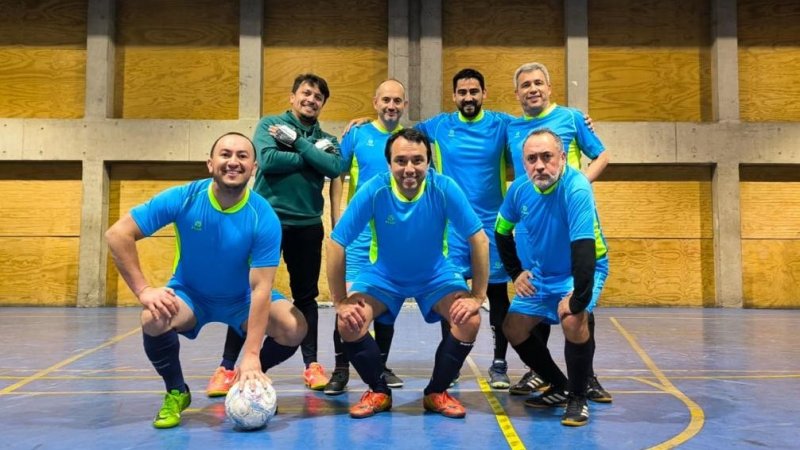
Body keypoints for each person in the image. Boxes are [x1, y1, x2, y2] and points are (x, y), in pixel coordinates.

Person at [105, 132, 307, 428]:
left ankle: (248, 378)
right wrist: (144, 290)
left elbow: (261, 287)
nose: (233, 162)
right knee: (153, 318)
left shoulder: (263, 216)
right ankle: (177, 392)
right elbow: (118, 234)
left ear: (254, 168)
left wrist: (252, 355)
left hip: (241, 299)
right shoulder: (185, 198)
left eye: (242, 156)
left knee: (294, 326)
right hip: (191, 296)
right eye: (225, 154)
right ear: (210, 163)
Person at [327, 128, 489, 419]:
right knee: (348, 322)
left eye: (418, 160)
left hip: (435, 276)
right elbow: (337, 242)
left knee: (469, 319)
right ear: (389, 163)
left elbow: (479, 239)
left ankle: (437, 392)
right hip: (384, 277)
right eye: (401, 161)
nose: (409, 168)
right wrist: (340, 300)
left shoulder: (444, 188)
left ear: (429, 161)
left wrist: (478, 296)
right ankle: (378, 391)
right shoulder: (376, 190)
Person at [205, 74, 343, 396]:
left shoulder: (329, 139)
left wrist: (297, 144)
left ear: (323, 104)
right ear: (293, 97)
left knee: (306, 296)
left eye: (318, 97)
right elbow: (267, 160)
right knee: (250, 292)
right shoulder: (270, 124)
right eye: (306, 93)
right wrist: (312, 156)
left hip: (308, 224)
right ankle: (226, 367)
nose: (311, 100)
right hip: (266, 221)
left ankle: (311, 365)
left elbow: (334, 168)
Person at [505, 62, 612, 402]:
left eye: (538, 82)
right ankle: (544, 373)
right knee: (536, 299)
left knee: (577, 303)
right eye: (525, 85)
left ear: (549, 88)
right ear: (517, 93)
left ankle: (586, 378)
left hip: (571, 221)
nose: (533, 89)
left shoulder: (571, 118)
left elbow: (602, 155)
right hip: (532, 226)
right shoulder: (510, 127)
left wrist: (577, 184)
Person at [495, 128, 609, 426]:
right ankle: (560, 385)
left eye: (547, 157)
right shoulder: (519, 190)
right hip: (543, 272)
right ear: (524, 162)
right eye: (531, 159)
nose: (540, 165)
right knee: (513, 327)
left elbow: (584, 249)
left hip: (581, 268)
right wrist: (516, 272)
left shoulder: (577, 188)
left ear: (562, 157)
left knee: (572, 319)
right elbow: (501, 231)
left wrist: (577, 300)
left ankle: (578, 398)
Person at [415, 68, 515, 389]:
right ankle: (452, 364)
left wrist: (579, 120)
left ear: (484, 94)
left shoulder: (502, 124)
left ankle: (499, 363)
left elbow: (537, 126)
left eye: (474, 91)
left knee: (497, 296)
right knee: (452, 296)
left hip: (491, 227)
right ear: (454, 96)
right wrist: (364, 122)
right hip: (453, 230)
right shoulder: (439, 125)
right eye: (462, 92)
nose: (468, 97)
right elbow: (399, 134)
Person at [324, 79, 409, 395]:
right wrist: (337, 216)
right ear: (375, 102)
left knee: (386, 305)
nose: (391, 106)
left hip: (393, 237)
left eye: (397, 101)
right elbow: (337, 173)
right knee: (348, 303)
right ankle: (341, 370)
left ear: (405, 105)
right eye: (386, 100)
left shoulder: (408, 139)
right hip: (359, 236)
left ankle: (380, 366)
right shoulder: (357, 134)